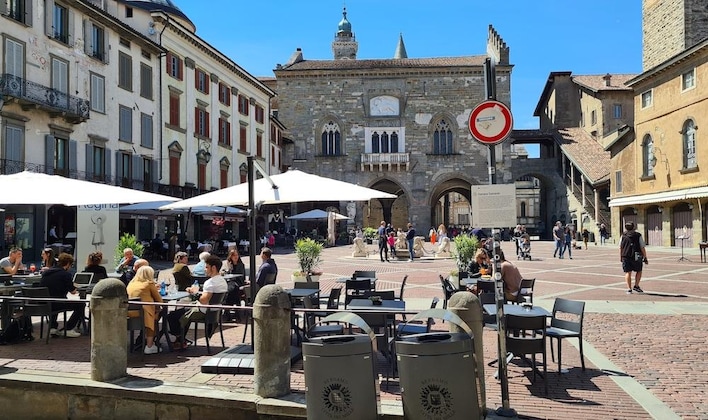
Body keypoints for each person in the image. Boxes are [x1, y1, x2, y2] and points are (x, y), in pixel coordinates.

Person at [167, 256, 228, 349]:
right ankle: (181, 339)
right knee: (184, 310)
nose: (205, 269)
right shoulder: (223, 281)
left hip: (204, 311)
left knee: (173, 315)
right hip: (215, 311)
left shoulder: (210, 282)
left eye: (207, 267)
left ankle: (179, 338)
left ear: (213, 268)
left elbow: (204, 300)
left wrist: (194, 293)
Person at [39, 253, 83, 338]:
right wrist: (74, 285)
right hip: (57, 303)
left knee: (53, 298)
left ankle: (53, 328)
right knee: (80, 305)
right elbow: (73, 291)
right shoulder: (65, 274)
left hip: (44, 304)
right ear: (67, 264)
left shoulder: (46, 273)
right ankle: (68, 329)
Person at [126, 265, 164, 354]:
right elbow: (159, 300)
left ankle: (142, 340)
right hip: (144, 313)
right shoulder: (149, 283)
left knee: (155, 314)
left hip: (130, 312)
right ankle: (150, 345)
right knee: (156, 315)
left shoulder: (131, 283)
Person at [619, 222, 647, 294]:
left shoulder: (623, 236)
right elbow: (642, 247)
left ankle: (629, 288)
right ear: (633, 227)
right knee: (639, 270)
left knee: (628, 272)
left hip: (626, 255)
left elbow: (620, 247)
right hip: (637, 255)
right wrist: (645, 256)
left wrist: (621, 256)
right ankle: (636, 286)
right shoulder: (638, 235)